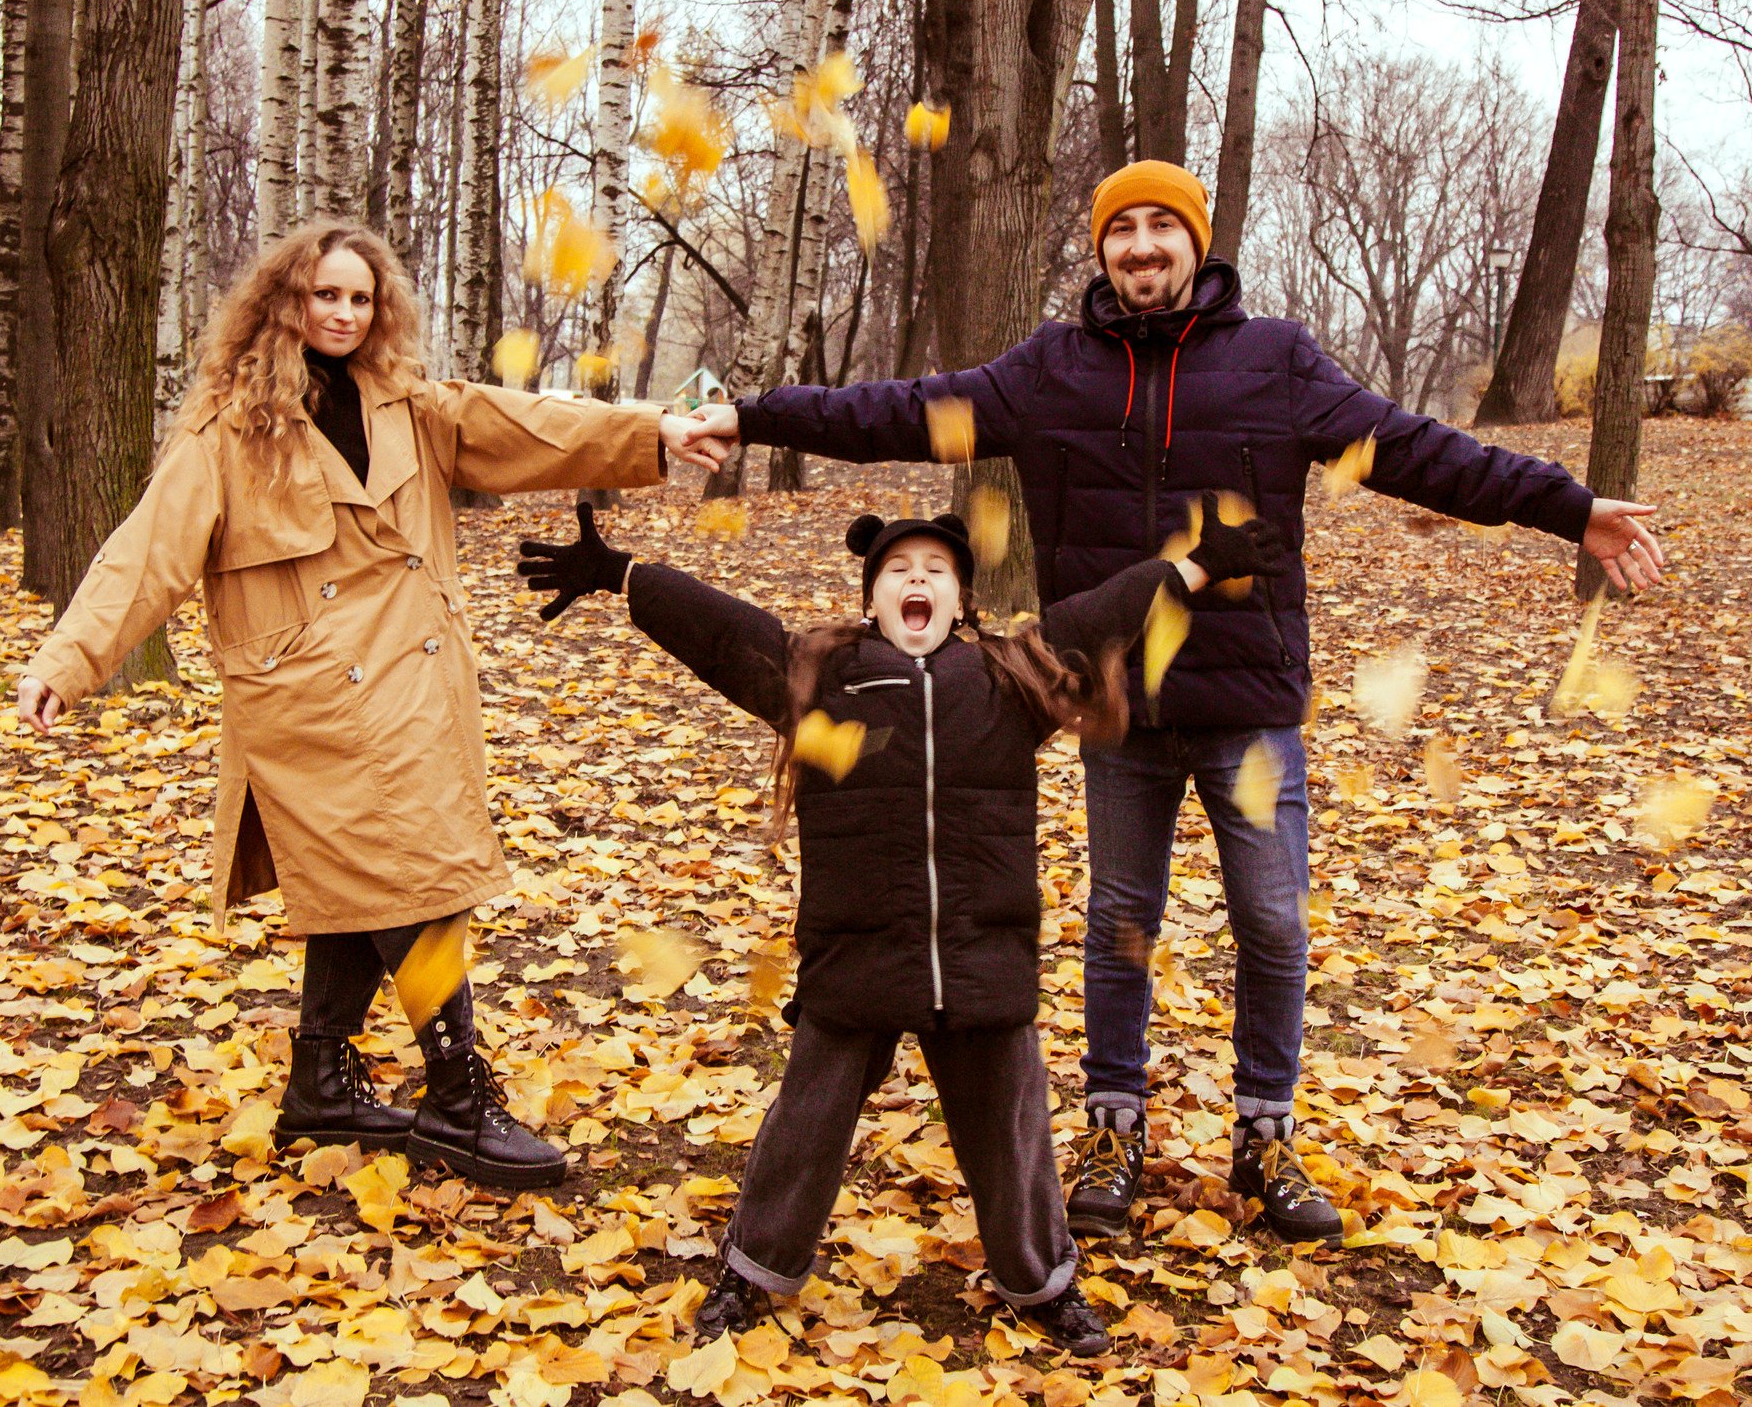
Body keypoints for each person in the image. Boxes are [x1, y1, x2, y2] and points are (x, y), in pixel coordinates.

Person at [672, 159, 1666, 1244]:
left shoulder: (1275, 361)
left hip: (1249, 702)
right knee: (1121, 923)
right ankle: (1113, 1125)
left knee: (1273, 920)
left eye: (1162, 227)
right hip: (1119, 703)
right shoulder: (1051, 371)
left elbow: (1419, 452)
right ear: (1101, 250)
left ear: (1198, 243)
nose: (1142, 246)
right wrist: (752, 415)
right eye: (1122, 230)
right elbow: (898, 411)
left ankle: (1266, 1132)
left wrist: (1569, 508)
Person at [13, 220, 718, 1190]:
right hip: (311, 702)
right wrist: (68, 659)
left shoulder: (410, 405)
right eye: (325, 296)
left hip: (413, 688)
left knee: (366, 883)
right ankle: (457, 1093)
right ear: (285, 304)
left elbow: (528, 425)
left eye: (359, 298)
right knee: (417, 884)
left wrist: (652, 432)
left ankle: (321, 1080)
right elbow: (148, 550)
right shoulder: (229, 430)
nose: (343, 314)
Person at [516, 499, 1290, 1351]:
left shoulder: (1008, 681)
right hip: (858, 950)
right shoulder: (822, 678)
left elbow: (1100, 617)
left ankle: (1043, 1280)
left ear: (961, 602)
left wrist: (1195, 567)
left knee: (1012, 1128)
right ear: (871, 598)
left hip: (980, 952)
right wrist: (624, 573)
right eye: (897, 570)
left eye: (935, 571)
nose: (916, 579)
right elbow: (725, 633)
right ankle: (754, 1268)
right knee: (806, 1120)